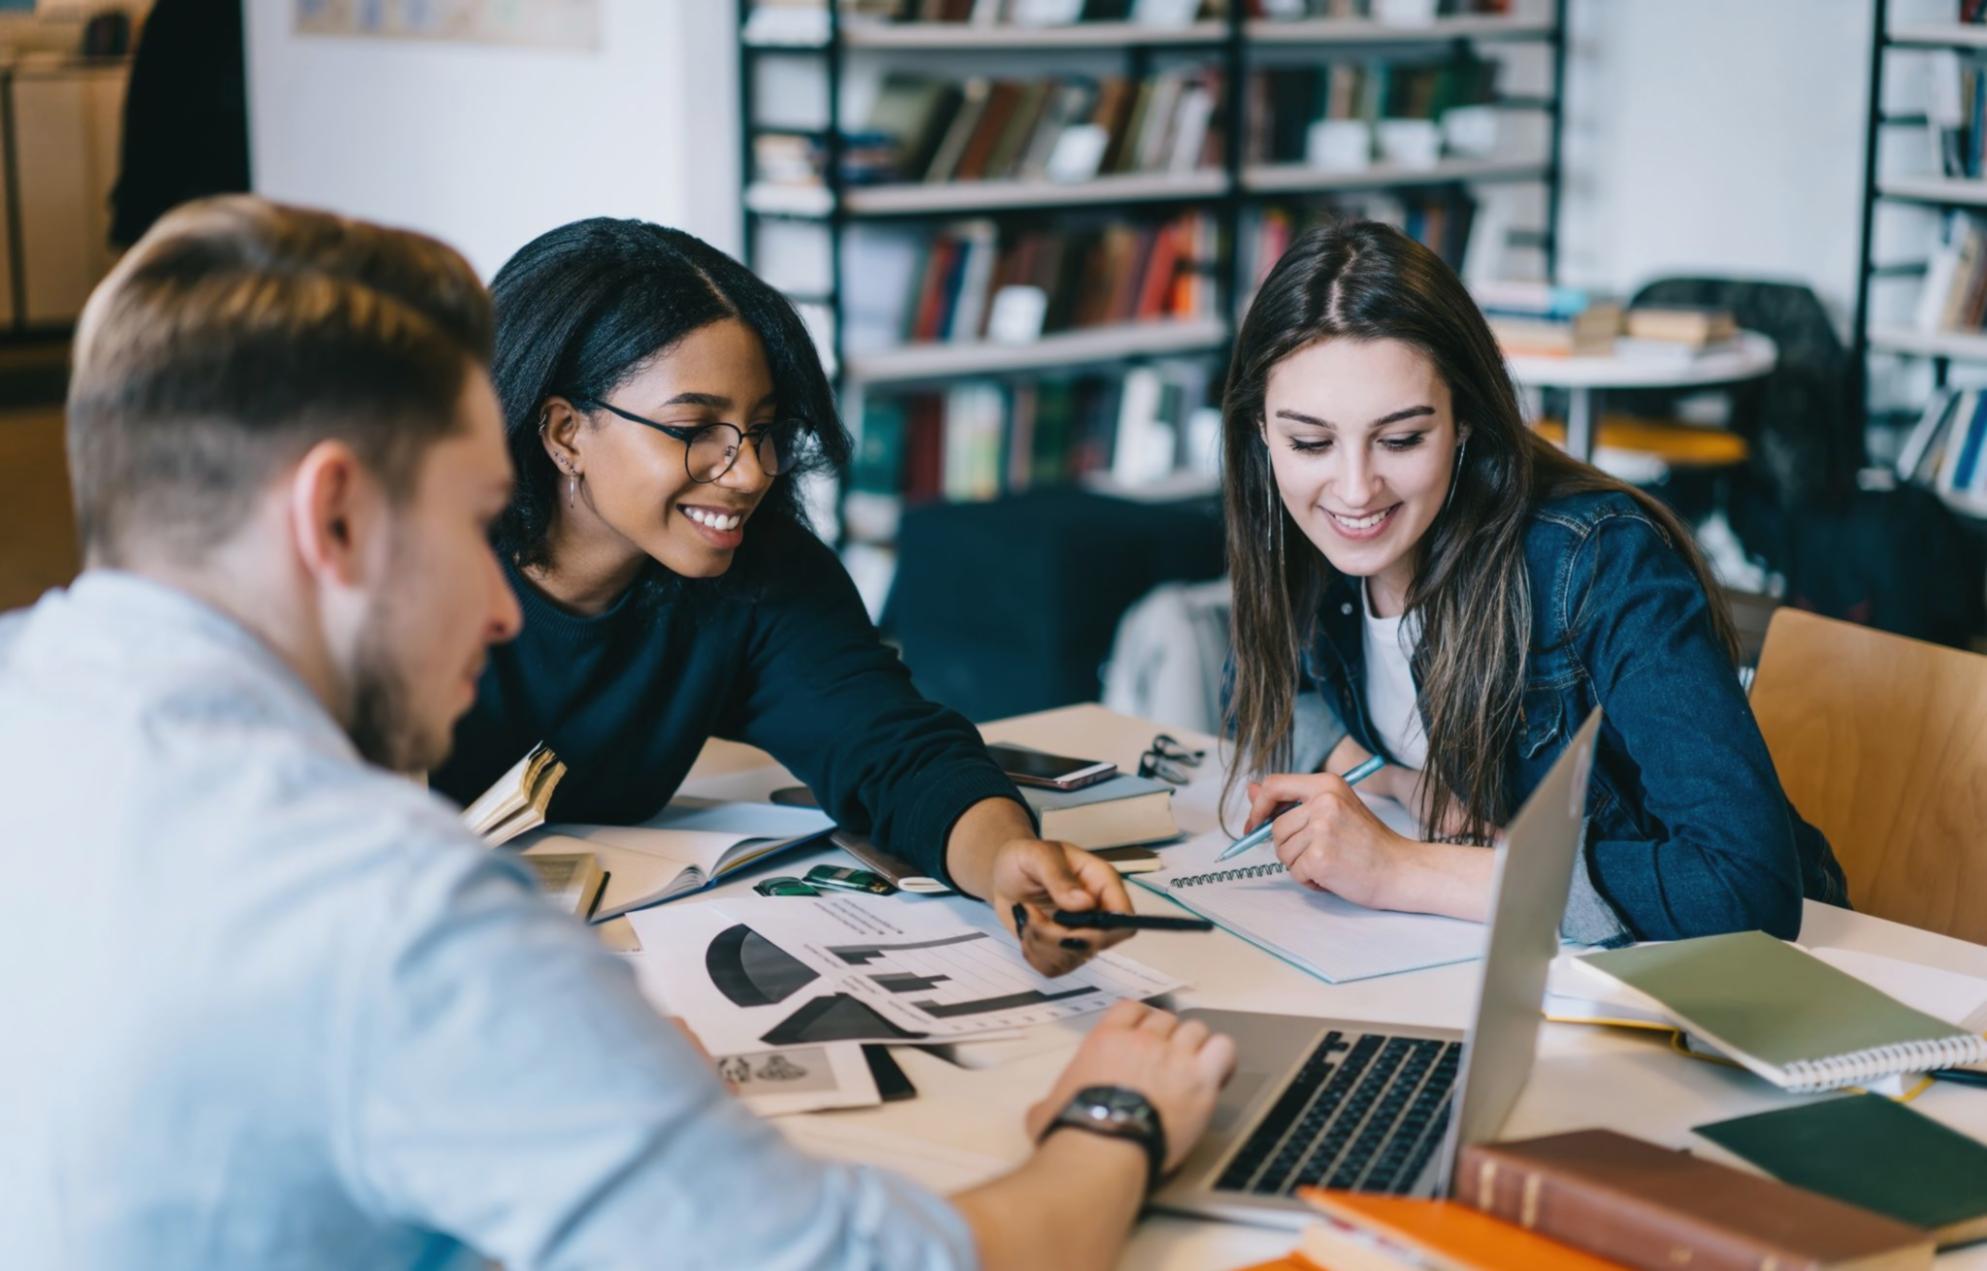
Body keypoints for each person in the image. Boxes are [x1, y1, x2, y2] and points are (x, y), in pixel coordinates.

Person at [0, 195, 1235, 1268]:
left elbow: (884, 734)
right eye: (467, 518)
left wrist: (589, 1085)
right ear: (335, 514)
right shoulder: (404, 915)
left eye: (760, 431)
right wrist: (1114, 1118)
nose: (496, 610)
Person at [430, 217, 1128, 975]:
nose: (749, 472)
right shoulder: (409, 568)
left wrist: (1006, 862)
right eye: (695, 427)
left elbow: (892, 751)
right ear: (565, 432)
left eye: (762, 428)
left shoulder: (756, 569)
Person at [1221, 221, 1847, 945]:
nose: (1355, 490)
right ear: (1260, 431)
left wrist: (1401, 868)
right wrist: (1390, 778)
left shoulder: (1598, 562)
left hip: (1707, 981)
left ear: (1462, 421)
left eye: (1399, 439)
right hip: (1495, 963)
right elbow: (1251, 692)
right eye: (1310, 442)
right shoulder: (1299, 535)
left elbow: (1745, 887)